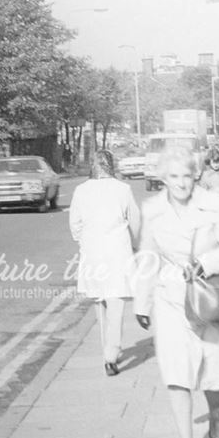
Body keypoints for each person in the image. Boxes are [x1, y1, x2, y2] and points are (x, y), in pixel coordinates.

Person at [134, 147, 219, 438]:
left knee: (213, 369)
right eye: (173, 176)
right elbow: (147, 255)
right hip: (171, 300)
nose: (181, 183)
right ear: (163, 178)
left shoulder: (214, 205)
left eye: (187, 176)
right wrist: (141, 301)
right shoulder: (151, 209)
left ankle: (216, 416)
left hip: (209, 299)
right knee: (176, 373)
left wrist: (208, 263)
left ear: (196, 176)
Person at [69, 149, 140, 376]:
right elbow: (135, 221)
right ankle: (112, 355)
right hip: (118, 253)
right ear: (112, 165)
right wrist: (136, 244)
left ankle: (106, 353)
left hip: (93, 254)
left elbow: (75, 224)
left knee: (100, 305)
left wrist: (84, 241)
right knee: (116, 304)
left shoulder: (81, 190)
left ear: (93, 165)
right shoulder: (123, 189)